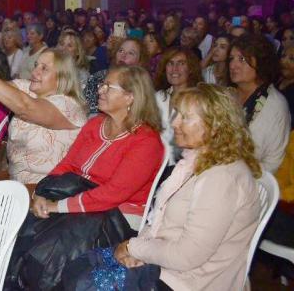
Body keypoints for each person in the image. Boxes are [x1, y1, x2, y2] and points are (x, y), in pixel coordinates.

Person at [111, 84, 262, 290]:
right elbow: (160, 220)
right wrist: (136, 253)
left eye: (186, 117)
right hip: (166, 267)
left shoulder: (222, 178)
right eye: (176, 115)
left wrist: (132, 247)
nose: (174, 123)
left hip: (192, 282)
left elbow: (187, 256)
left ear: (215, 126)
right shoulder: (194, 162)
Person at [33, 65, 164, 230]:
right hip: (77, 203)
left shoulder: (147, 142)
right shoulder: (95, 124)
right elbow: (67, 164)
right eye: (102, 85)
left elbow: (113, 194)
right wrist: (42, 192)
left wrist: (58, 207)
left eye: (108, 87)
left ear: (130, 97)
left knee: (46, 235)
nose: (100, 90)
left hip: (118, 216)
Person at [0, 48, 87, 185]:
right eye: (36, 65)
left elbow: (25, 107)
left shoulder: (68, 106)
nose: (35, 72)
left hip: (48, 190)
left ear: (62, 77)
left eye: (44, 69)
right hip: (16, 183)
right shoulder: (28, 88)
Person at [229, 34, 290, 172]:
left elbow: (273, 163)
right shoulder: (228, 95)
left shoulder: (275, 105)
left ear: (262, 62)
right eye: (231, 59)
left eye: (242, 59)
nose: (233, 65)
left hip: (252, 179)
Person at [154, 48, 202, 165]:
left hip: (185, 164)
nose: (174, 68)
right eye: (170, 63)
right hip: (155, 161)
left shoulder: (198, 101)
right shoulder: (158, 97)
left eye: (181, 63)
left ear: (190, 69)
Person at [83, 37, 148, 114]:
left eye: (131, 53)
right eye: (121, 50)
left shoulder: (142, 87)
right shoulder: (97, 78)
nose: (123, 55)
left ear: (140, 61)